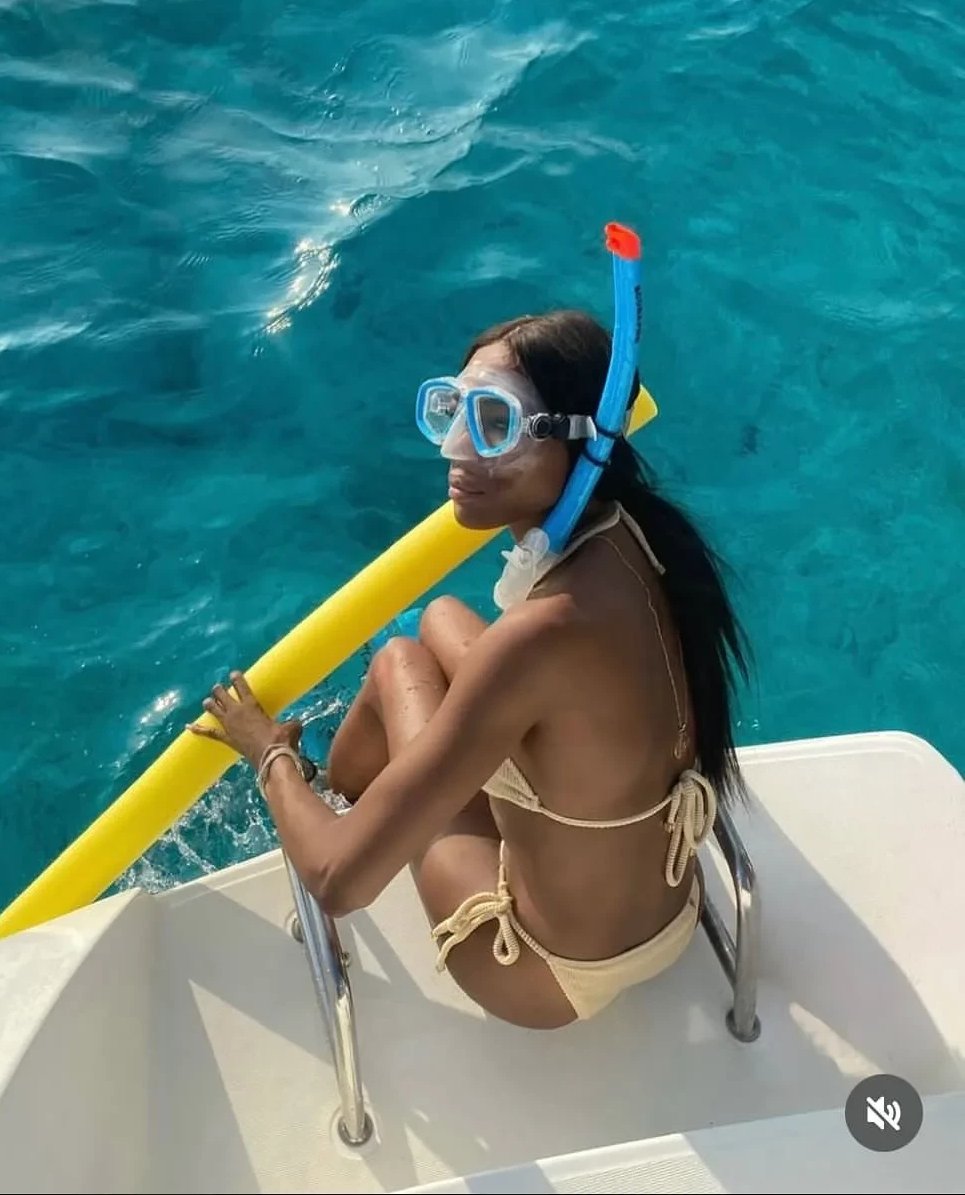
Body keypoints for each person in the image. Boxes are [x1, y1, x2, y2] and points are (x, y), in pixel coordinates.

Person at [189, 307, 748, 1030]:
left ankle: (338, 796)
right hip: (674, 911)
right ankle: (368, 797)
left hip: (551, 975)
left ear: (576, 441)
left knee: (395, 663)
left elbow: (336, 883)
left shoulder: (540, 636)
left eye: (494, 423)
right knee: (441, 615)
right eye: (451, 409)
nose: (455, 447)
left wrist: (265, 750)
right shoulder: (637, 536)